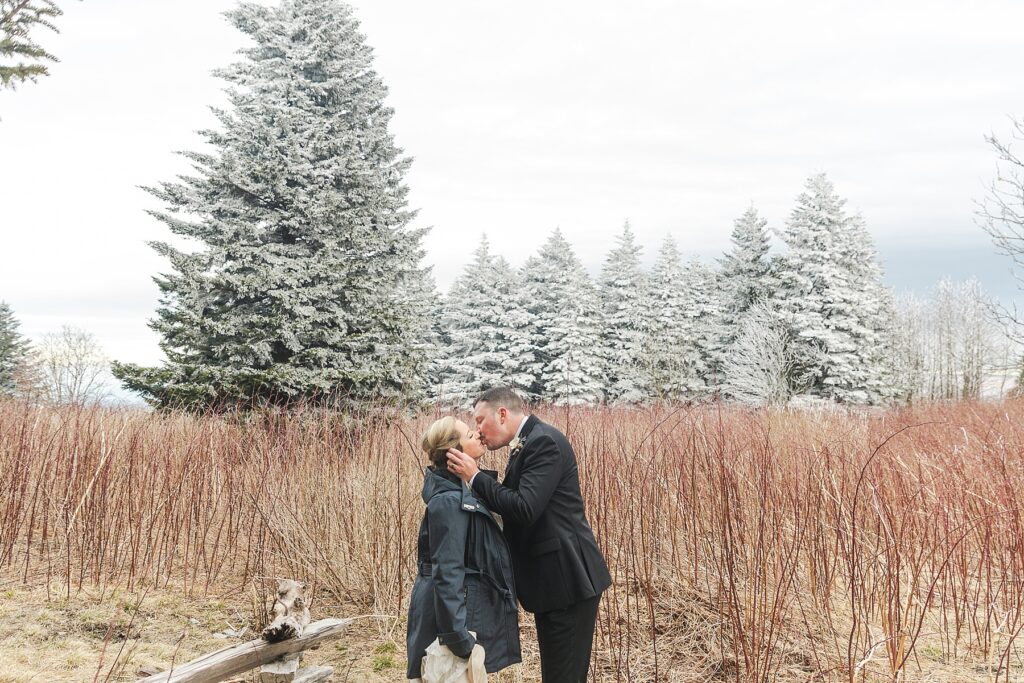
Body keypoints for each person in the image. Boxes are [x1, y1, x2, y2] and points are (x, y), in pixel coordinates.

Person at [447, 387, 612, 683]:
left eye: (480, 420)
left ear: (502, 413)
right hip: (554, 584)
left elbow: (524, 507)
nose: (478, 430)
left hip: (569, 582)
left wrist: (475, 477)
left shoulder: (544, 442)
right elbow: (514, 498)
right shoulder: (530, 440)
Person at [407, 416, 521, 681]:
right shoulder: (448, 502)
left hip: (461, 616)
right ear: (454, 454)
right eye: (470, 435)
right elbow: (447, 571)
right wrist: (460, 639)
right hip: (453, 624)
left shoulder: (464, 492)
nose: (479, 435)